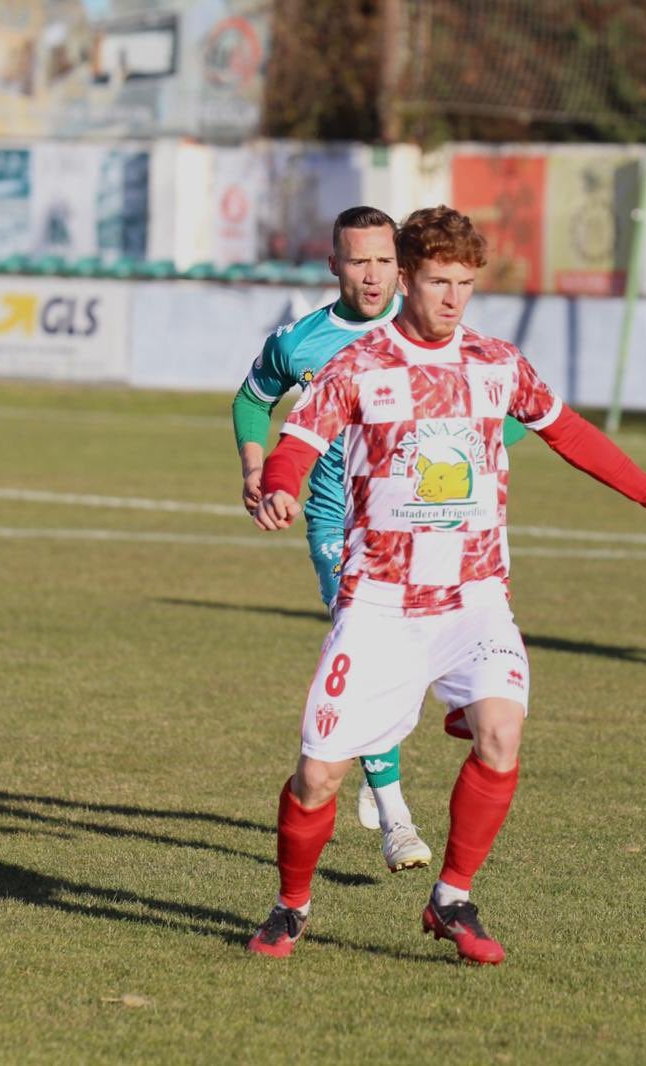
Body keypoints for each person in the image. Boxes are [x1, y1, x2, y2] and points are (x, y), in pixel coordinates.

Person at [245, 206, 646, 963]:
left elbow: (570, 432)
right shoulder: (359, 367)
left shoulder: (498, 363)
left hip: (475, 597)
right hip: (382, 602)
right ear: (406, 278)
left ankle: (453, 899)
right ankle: (291, 906)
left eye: (466, 283)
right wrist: (279, 485)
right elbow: (297, 439)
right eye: (438, 282)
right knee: (317, 776)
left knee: (501, 735)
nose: (453, 298)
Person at [233, 206, 530, 874]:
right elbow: (252, 402)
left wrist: (473, 453)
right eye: (357, 261)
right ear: (333, 265)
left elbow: (511, 415)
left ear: (403, 265)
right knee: (361, 639)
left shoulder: (439, 337)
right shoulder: (302, 343)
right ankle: (395, 815)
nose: (372, 276)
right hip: (340, 524)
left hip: (428, 527)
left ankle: (445, 711)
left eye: (383, 261)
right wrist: (259, 467)